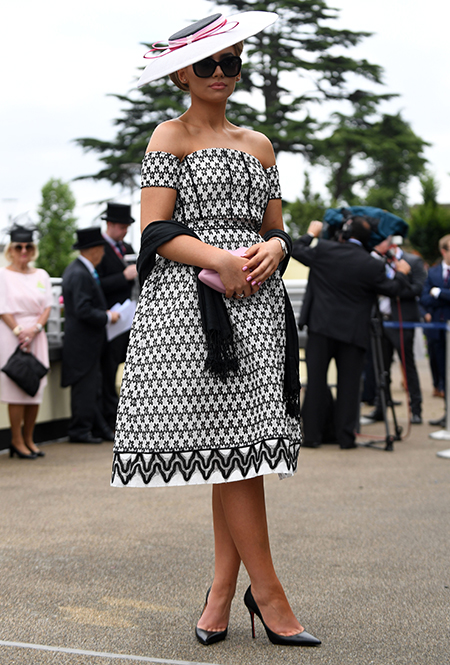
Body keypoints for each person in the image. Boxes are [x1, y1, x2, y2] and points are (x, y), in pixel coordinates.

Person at [111, 11, 320, 648]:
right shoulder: (167, 136)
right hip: (193, 310)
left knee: (237, 450)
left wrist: (277, 249)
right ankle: (270, 594)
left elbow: (276, 229)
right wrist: (220, 258)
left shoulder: (260, 144)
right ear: (181, 73)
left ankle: (223, 593)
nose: (221, 72)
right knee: (233, 451)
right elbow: (155, 232)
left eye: (231, 61)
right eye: (207, 63)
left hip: (258, 307)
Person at [292, 218, 413, 449]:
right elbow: (394, 289)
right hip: (353, 333)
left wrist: (311, 233)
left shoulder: (325, 250)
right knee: (349, 387)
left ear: (345, 233)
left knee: (316, 383)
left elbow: (295, 249)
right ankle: (346, 438)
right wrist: (401, 273)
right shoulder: (371, 264)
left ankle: (312, 436)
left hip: (321, 328)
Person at [61, 228, 120, 444]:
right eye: (101, 249)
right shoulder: (79, 273)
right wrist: (107, 316)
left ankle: (92, 428)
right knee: (84, 388)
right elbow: (82, 309)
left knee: (91, 386)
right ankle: (80, 430)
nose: (103, 254)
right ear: (94, 250)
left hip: (87, 343)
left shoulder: (79, 270)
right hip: (82, 343)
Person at [0, 225, 53, 459]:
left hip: (36, 334)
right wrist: (19, 331)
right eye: (18, 247)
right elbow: (2, 307)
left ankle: (30, 439)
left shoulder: (41, 275)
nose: (23, 251)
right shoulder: (3, 275)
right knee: (16, 387)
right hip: (12, 334)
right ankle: (16, 440)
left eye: (28, 247)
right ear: (10, 250)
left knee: (35, 388)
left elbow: (48, 306)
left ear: (33, 250)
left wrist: (36, 329)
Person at [367, 236, 426, 424]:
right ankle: (380, 407)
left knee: (408, 366)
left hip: (401, 321)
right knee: (381, 367)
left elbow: (418, 288)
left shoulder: (413, 261)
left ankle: (416, 410)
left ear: (391, 244)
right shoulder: (377, 261)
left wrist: (394, 288)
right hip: (381, 321)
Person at [96, 203, 137, 430]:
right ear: (110, 225)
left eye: (127, 227)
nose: (124, 231)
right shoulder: (98, 249)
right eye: (121, 227)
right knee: (109, 369)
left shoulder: (127, 248)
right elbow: (96, 284)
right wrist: (123, 276)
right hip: (110, 319)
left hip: (128, 318)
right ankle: (109, 418)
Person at [421, 234, 450, 427]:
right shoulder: (432, 273)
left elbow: (433, 296)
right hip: (436, 332)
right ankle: (447, 413)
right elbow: (424, 299)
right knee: (442, 373)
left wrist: (439, 293)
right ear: (443, 251)